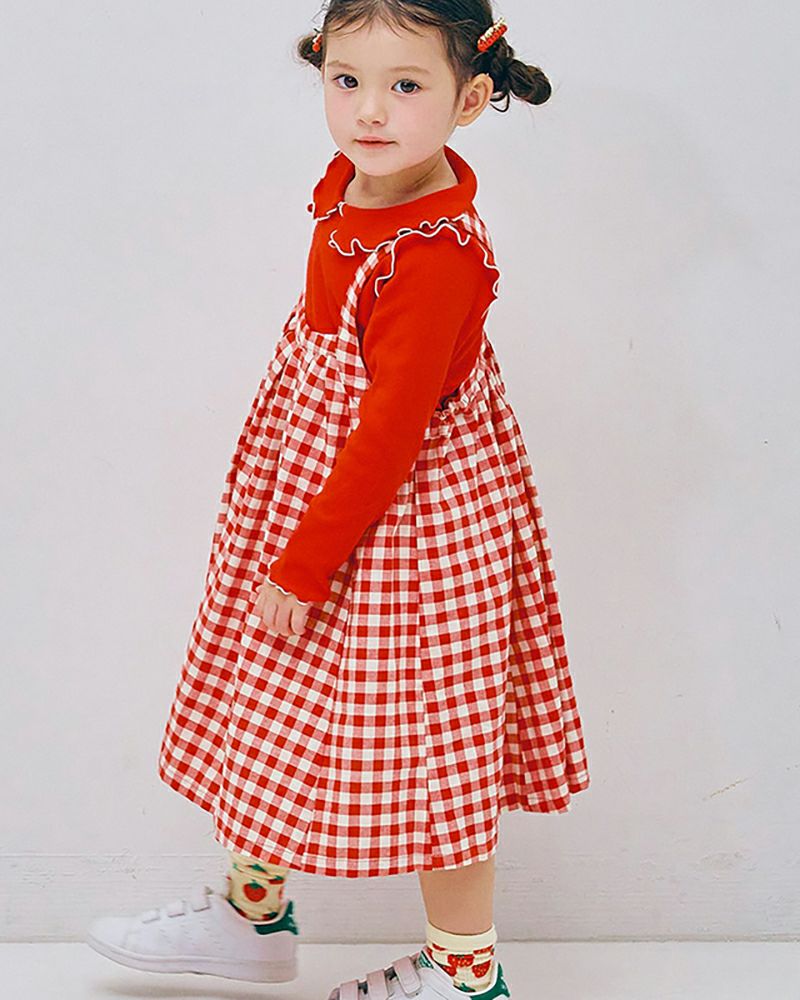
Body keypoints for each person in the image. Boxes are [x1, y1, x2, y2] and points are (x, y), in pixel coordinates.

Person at [86, 3, 591, 998]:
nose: (368, 110)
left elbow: (391, 433)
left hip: (408, 533)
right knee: (273, 700)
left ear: (470, 99)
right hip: (318, 499)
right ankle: (253, 916)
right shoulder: (357, 188)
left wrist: (305, 561)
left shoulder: (433, 253)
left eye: (405, 86)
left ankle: (464, 971)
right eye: (346, 80)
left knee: (438, 743)